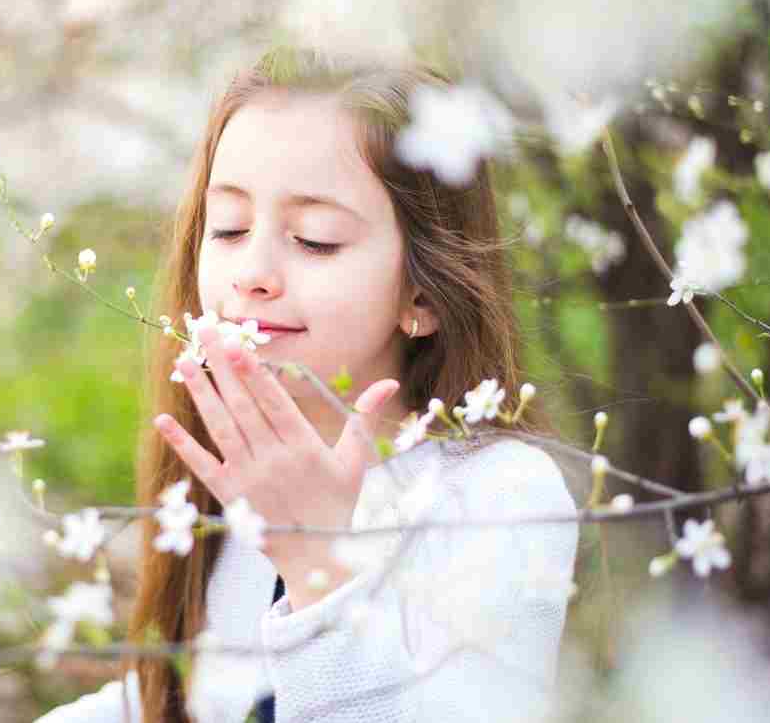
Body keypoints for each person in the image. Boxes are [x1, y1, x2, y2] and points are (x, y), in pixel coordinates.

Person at [35, 48, 580, 723]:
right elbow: (190, 702)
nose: (252, 273)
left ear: (425, 293)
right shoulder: (232, 471)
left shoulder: (497, 496)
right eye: (229, 228)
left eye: (315, 240)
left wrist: (313, 562)